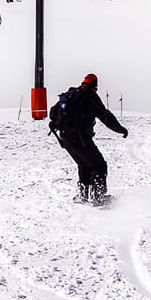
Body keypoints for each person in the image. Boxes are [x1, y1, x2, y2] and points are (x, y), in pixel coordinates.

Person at [50, 73, 128, 204]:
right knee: (99, 166)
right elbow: (105, 116)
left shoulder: (71, 94)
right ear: (95, 86)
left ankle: (83, 196)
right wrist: (120, 129)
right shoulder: (90, 97)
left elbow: (52, 112)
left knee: (84, 164)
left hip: (65, 138)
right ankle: (99, 199)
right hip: (80, 139)